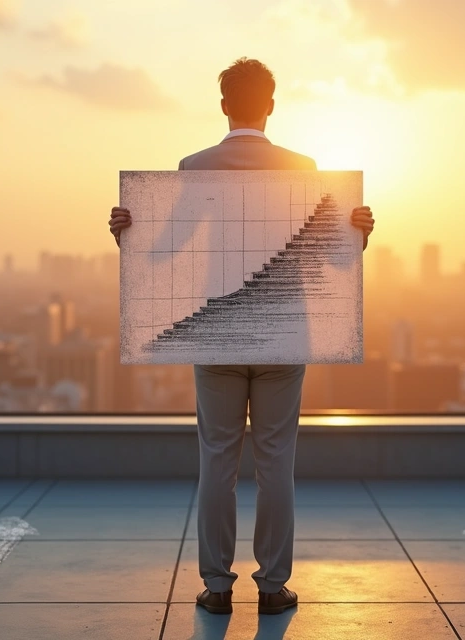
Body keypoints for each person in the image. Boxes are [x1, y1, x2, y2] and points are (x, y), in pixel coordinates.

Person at [108, 57, 375, 616]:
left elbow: (165, 254)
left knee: (217, 462)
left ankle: (217, 586)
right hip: (282, 334)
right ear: (271, 105)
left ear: (224, 103)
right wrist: (360, 233)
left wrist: (125, 234)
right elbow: (331, 257)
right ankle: (274, 587)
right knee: (277, 463)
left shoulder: (195, 165)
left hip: (218, 334)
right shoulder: (302, 166)